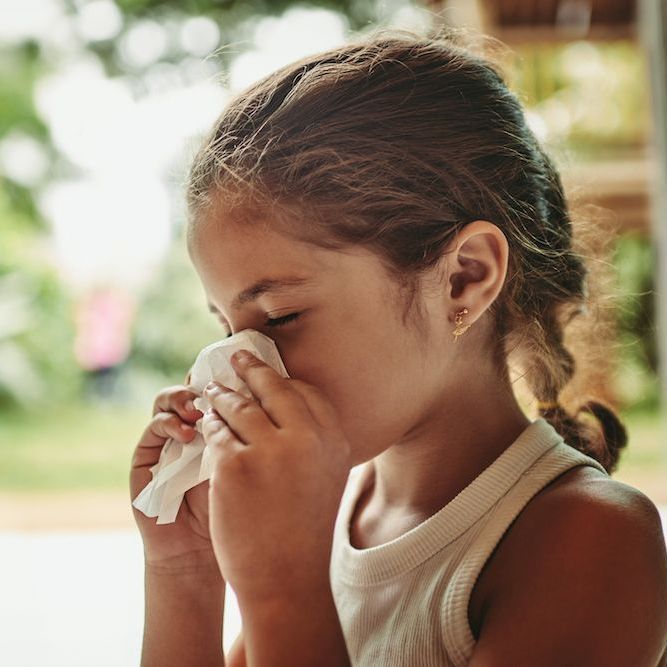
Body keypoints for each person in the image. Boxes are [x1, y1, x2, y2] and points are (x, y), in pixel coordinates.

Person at [130, 29, 667, 666]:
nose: (241, 365)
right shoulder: (327, 509)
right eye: (227, 327)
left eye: (281, 316)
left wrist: (284, 589)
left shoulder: (593, 538)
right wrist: (186, 572)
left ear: (464, 277)